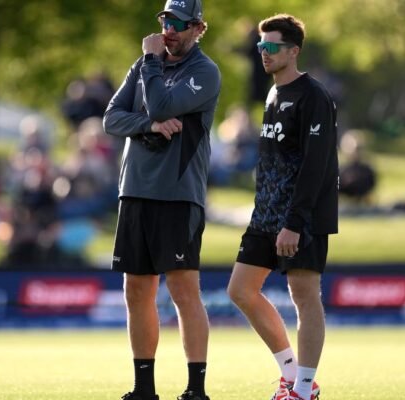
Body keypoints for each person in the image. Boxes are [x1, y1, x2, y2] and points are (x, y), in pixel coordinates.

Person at [102, 1, 220, 399]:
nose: (169, 30)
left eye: (179, 24)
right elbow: (111, 118)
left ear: (198, 29)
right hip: (135, 190)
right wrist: (149, 125)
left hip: (178, 193)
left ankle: (195, 390)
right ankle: (144, 389)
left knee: (184, 292)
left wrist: (151, 66)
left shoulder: (204, 72)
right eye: (166, 21)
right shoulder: (143, 65)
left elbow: (163, 104)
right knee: (136, 291)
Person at [227, 14, 338, 400]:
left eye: (272, 46)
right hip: (266, 215)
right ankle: (290, 374)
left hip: (301, 217)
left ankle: (304, 390)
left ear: (293, 51)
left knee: (304, 295)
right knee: (240, 290)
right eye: (261, 46)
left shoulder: (314, 96)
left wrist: (294, 221)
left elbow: (315, 165)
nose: (264, 53)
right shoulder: (273, 94)